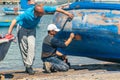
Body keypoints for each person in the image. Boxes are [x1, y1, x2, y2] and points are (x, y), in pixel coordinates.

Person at [7, 4, 73, 75]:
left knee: (32, 48)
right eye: (42, 13)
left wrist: (67, 13)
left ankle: (29, 65)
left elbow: (56, 9)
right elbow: (14, 20)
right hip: (22, 28)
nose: (44, 14)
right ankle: (27, 67)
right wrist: (9, 33)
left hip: (32, 29)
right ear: (36, 13)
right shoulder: (27, 14)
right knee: (24, 49)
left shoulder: (43, 9)